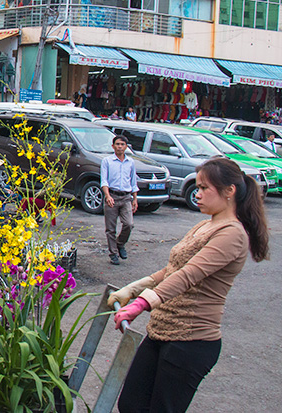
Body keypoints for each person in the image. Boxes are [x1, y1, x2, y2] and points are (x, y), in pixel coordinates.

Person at [110, 157, 269, 413]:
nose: (198, 194)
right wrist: (134, 288)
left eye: (205, 188)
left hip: (191, 342)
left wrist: (141, 304)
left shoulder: (232, 233)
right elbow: (172, 269)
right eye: (198, 186)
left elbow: (189, 275)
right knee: (130, 404)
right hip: (161, 330)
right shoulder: (205, 225)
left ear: (229, 191)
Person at [101, 134, 138, 265]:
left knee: (129, 224)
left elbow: (133, 181)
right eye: (117, 144)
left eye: (122, 144)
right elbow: (104, 180)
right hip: (112, 195)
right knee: (110, 228)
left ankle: (120, 243)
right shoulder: (107, 161)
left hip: (126, 197)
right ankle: (113, 254)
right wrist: (107, 196)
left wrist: (135, 199)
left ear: (126, 147)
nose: (120, 147)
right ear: (113, 146)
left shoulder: (130, 162)